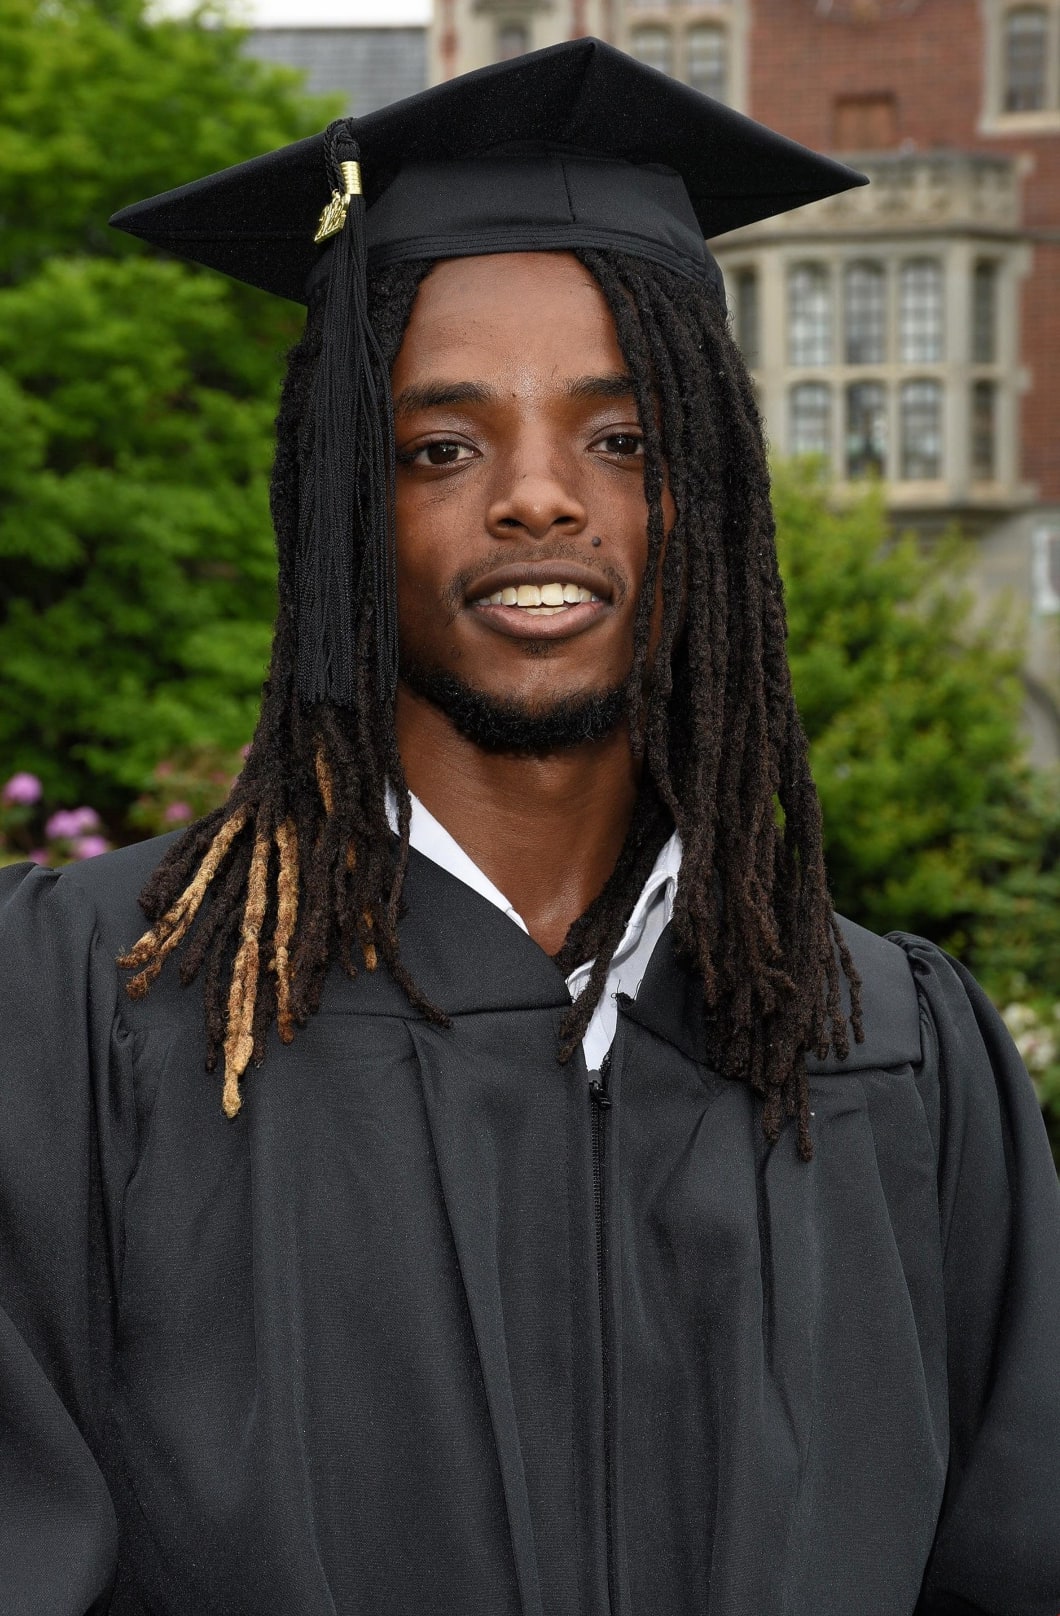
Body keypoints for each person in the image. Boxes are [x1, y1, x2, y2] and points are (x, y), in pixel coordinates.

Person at [1, 37, 1058, 1616]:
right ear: (346, 503)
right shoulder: (89, 1016)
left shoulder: (890, 1053)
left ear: (705, 492)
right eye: (443, 446)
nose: (541, 498)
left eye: (621, 440)